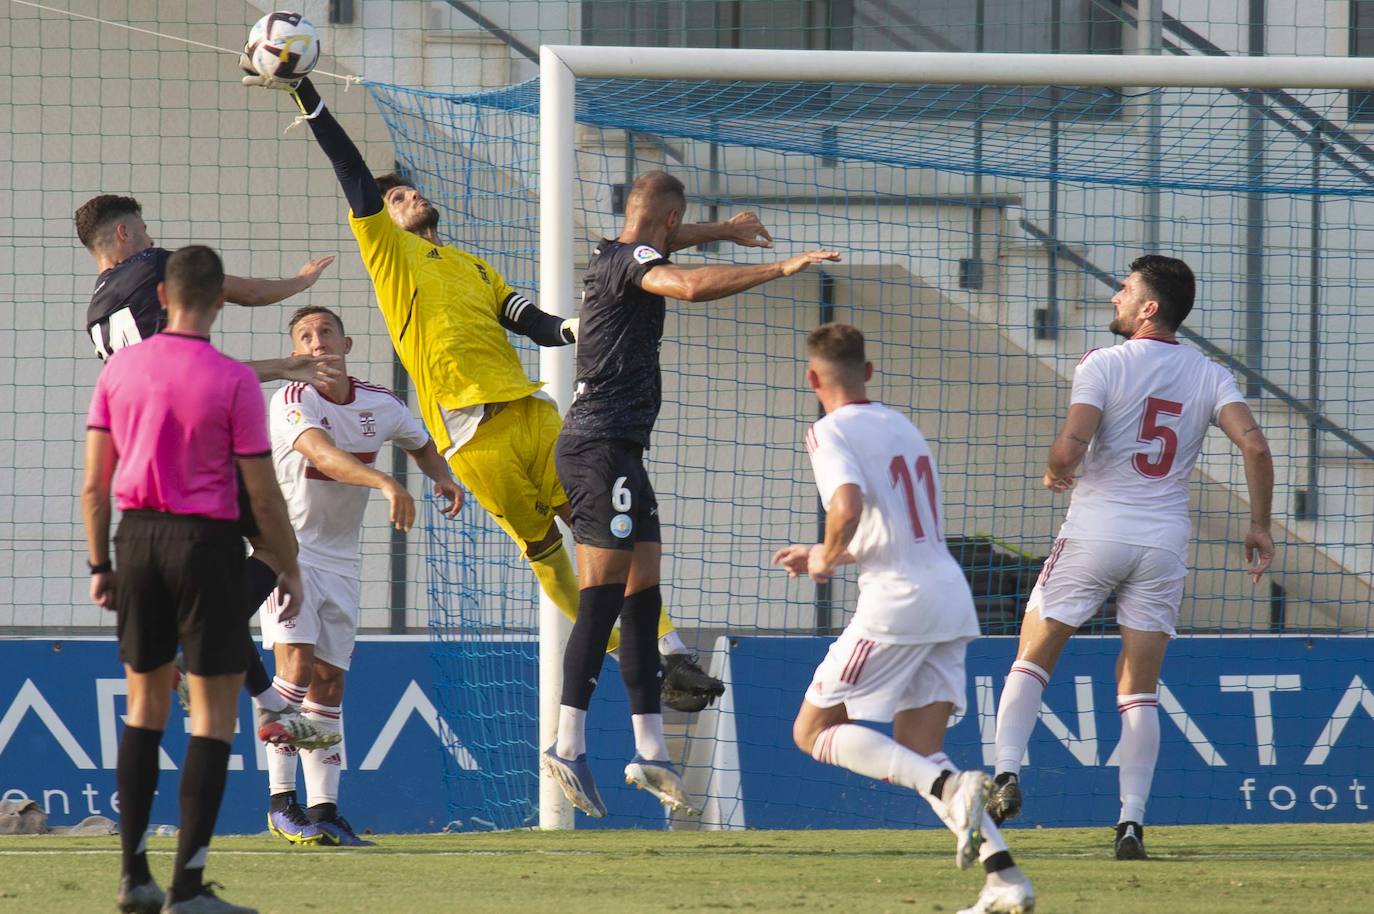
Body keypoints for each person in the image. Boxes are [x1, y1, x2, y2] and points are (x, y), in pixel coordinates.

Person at [245, 73, 757, 711]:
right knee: (549, 555)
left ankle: (671, 651)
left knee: (603, 533)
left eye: (409, 189)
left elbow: (536, 324)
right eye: (396, 197)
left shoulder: (473, 265)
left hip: (530, 412)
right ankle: (629, 656)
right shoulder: (388, 254)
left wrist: (588, 320)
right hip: (469, 434)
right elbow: (349, 167)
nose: (408, 196)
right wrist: (308, 97)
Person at [541, 171, 839, 818]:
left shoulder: (613, 248)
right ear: (669, 223)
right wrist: (785, 267)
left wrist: (726, 232)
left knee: (642, 596)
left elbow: (665, 242)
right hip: (598, 449)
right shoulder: (638, 263)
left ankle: (649, 750)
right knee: (599, 600)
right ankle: (567, 744)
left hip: (619, 451)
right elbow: (688, 285)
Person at [988, 255, 1275, 860]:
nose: (1114, 298)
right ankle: (1130, 827)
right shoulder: (1209, 374)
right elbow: (1254, 443)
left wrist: (1053, 469)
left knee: (1033, 657)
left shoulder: (1103, 363)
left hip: (1096, 531)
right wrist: (1258, 525)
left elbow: (1072, 445)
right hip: (1164, 542)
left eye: (1125, 290)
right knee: (1139, 691)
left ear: (1150, 307)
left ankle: (1007, 773)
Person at [771, 323, 1035, 914]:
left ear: (813, 379)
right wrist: (836, 548)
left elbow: (847, 503)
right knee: (921, 747)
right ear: (869, 371)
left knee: (811, 732)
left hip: (896, 601)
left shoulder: (827, 429)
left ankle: (949, 787)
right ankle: (1005, 879)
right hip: (949, 595)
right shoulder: (905, 428)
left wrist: (822, 555)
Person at [74, 193, 342, 749]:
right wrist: (297, 285)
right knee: (275, 545)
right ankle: (192, 654)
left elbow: (174, 368)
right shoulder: (149, 269)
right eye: (144, 229)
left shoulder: (95, 316)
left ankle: (269, 703)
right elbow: (238, 298)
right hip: (199, 452)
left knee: (221, 586)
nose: (150, 237)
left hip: (146, 477)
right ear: (124, 236)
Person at [83, 245, 303, 914]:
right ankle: (187, 888)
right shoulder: (232, 377)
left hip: (137, 540)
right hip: (205, 544)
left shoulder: (120, 370)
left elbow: (94, 484)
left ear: (164, 299)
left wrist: (101, 565)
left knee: (143, 709)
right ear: (217, 302)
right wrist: (285, 558)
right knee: (211, 717)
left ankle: (133, 879)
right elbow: (262, 496)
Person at [260, 306, 464, 847]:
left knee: (330, 683)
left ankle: (324, 810)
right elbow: (322, 456)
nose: (316, 342)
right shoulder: (291, 400)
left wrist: (440, 477)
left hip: (341, 561)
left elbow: (418, 439)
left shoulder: (381, 403)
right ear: (295, 354)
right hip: (286, 552)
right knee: (296, 668)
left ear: (346, 342)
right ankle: (282, 802)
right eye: (304, 337)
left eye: (325, 332)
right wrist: (386, 484)